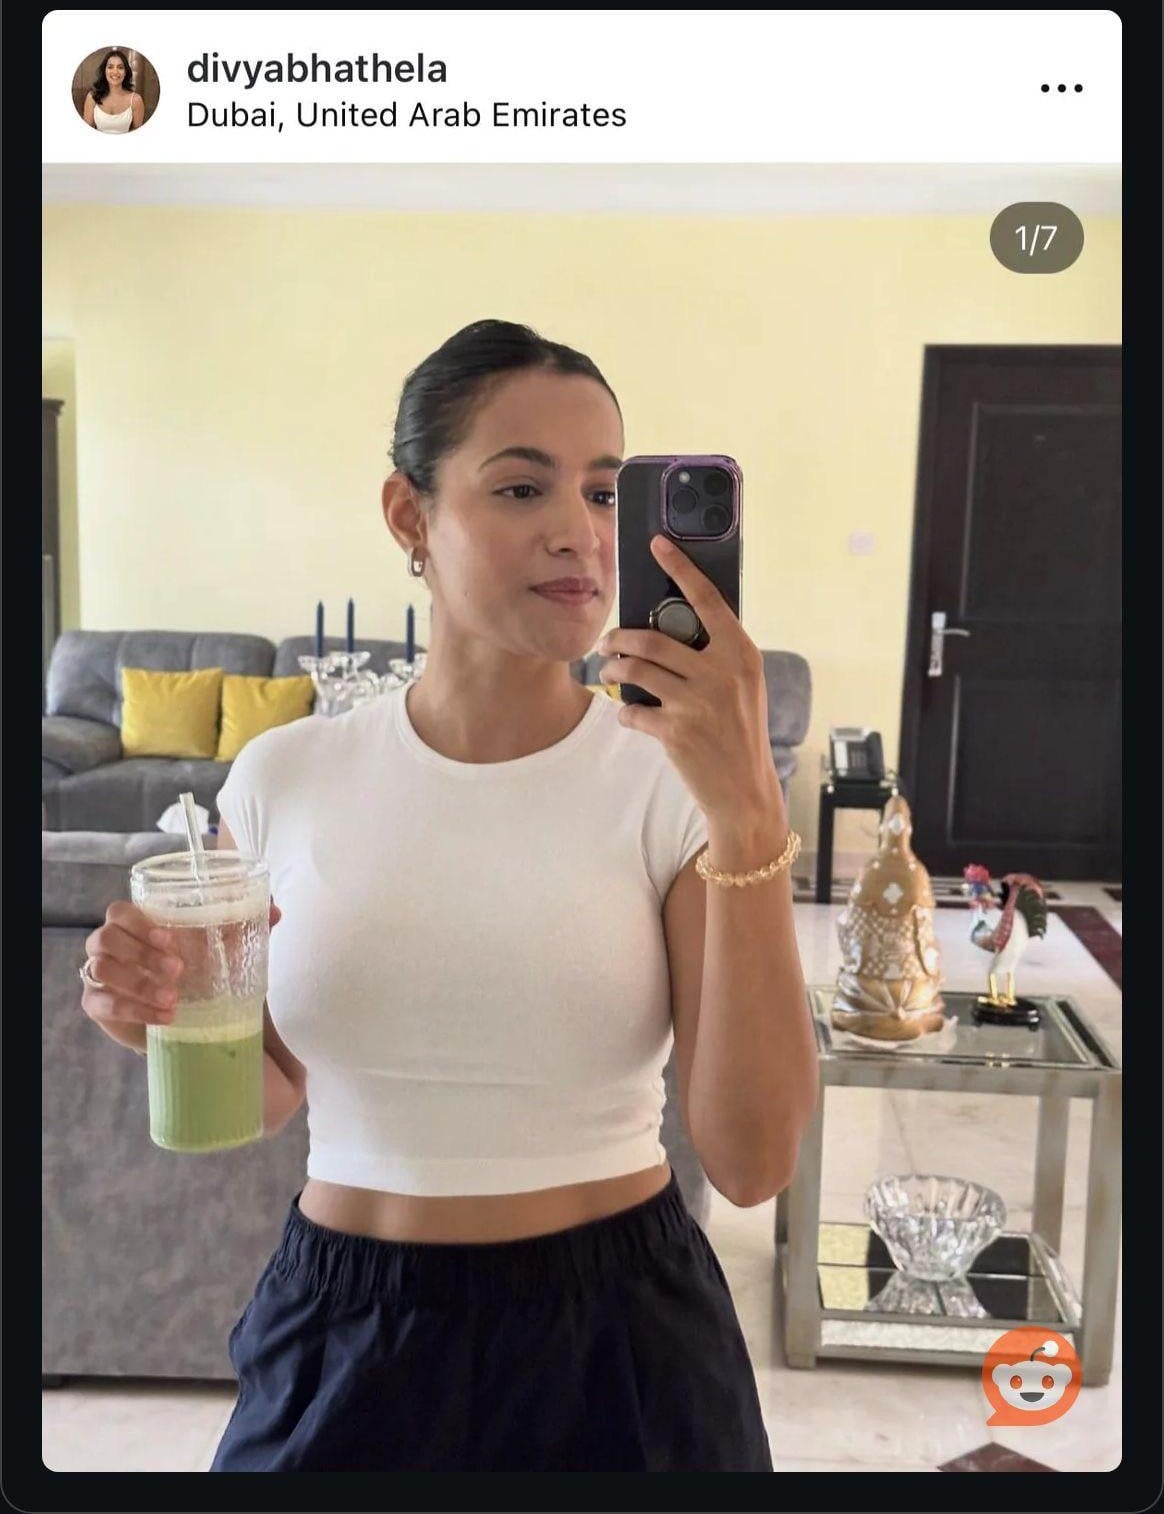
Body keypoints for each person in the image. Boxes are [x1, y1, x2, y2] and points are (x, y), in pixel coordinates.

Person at [78, 319, 819, 1472]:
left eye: (606, 491)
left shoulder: (669, 786)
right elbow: (268, 1092)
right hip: (342, 1325)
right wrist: (156, 1016)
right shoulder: (284, 777)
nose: (578, 531)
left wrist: (750, 814)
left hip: (619, 1339)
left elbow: (754, 1158)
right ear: (410, 516)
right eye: (522, 485)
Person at [82, 49, 144, 133]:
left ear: (125, 72)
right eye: (110, 67)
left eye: (120, 67)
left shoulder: (136, 100)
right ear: (104, 71)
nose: (115, 72)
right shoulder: (92, 97)